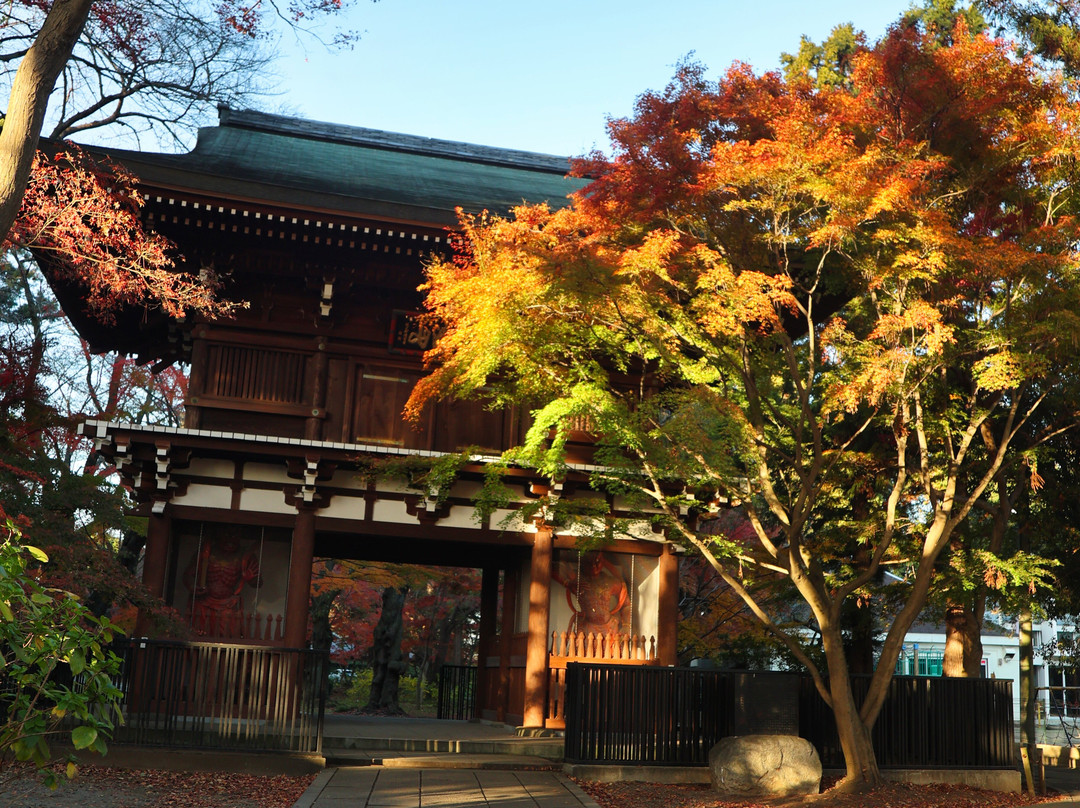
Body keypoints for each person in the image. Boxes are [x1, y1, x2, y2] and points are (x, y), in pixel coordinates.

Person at [183, 536, 262, 635]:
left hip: (228, 603)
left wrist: (251, 579)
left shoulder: (245, 556)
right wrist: (192, 587)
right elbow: (188, 575)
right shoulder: (206, 552)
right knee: (200, 633)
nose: (230, 542)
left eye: (234, 536)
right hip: (204, 601)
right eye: (226, 535)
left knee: (229, 635)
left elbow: (258, 583)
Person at [554, 551, 629, 636]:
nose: (594, 566)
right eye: (589, 562)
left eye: (597, 561)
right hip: (587, 626)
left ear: (603, 561)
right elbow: (553, 567)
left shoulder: (610, 581)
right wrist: (567, 583)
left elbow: (626, 604)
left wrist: (626, 625)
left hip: (609, 627)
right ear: (583, 562)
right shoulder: (577, 577)